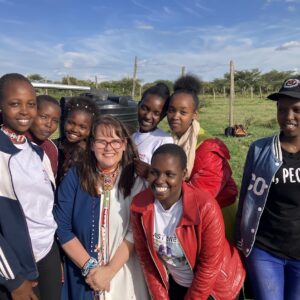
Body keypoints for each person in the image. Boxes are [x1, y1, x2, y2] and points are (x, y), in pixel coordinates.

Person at [131, 144, 245, 300]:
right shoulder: (139, 207)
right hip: (178, 283)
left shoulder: (205, 207)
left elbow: (209, 265)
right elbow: (146, 258)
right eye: (154, 172)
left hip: (215, 287)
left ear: (183, 174)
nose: (160, 180)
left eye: (169, 174)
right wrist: (160, 296)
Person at [54, 115, 149, 300]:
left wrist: (110, 271)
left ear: (124, 145)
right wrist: (91, 269)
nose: (109, 148)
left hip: (124, 269)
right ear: (91, 144)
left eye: (115, 141)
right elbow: (62, 227)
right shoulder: (76, 175)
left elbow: (135, 229)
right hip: (83, 273)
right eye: (102, 142)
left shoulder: (135, 180)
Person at [235, 76, 300, 300]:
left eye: (296, 110)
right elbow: (246, 198)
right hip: (265, 249)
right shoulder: (260, 150)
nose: (288, 117)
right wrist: (239, 240)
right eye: (282, 110)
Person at [0, 73, 61, 300]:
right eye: (15, 104)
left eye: (31, 104)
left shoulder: (37, 152)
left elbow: (44, 209)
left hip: (47, 253)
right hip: (15, 265)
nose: (25, 111)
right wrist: (13, 280)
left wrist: (54, 256)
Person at [167, 74, 238, 208]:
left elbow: (202, 195)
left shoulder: (208, 149)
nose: (175, 116)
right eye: (171, 110)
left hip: (215, 217)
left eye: (183, 112)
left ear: (195, 114)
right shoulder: (171, 139)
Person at [132, 83, 173, 178]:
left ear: (162, 116)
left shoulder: (164, 141)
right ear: (138, 105)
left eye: (156, 113)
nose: (148, 116)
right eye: (144, 108)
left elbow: (167, 177)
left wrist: (149, 173)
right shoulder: (133, 136)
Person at [55, 96, 99, 183]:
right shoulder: (53, 147)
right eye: (71, 123)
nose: (74, 129)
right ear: (64, 121)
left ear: (91, 129)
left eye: (82, 127)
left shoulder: (92, 152)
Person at [26, 94, 61, 177]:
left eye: (55, 121)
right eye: (44, 117)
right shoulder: (13, 142)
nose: (49, 124)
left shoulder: (51, 148)